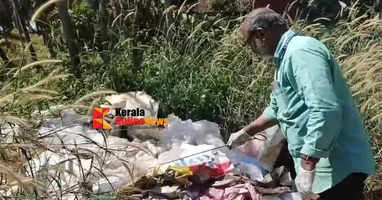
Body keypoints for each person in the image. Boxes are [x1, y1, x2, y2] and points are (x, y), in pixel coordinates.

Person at [227, 7, 376, 200]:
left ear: (261, 34)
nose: (252, 50)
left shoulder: (301, 52)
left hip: (336, 167)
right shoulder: (284, 59)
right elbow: (277, 108)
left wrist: (307, 165)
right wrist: (247, 132)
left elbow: (325, 109)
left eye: (250, 43)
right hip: (322, 168)